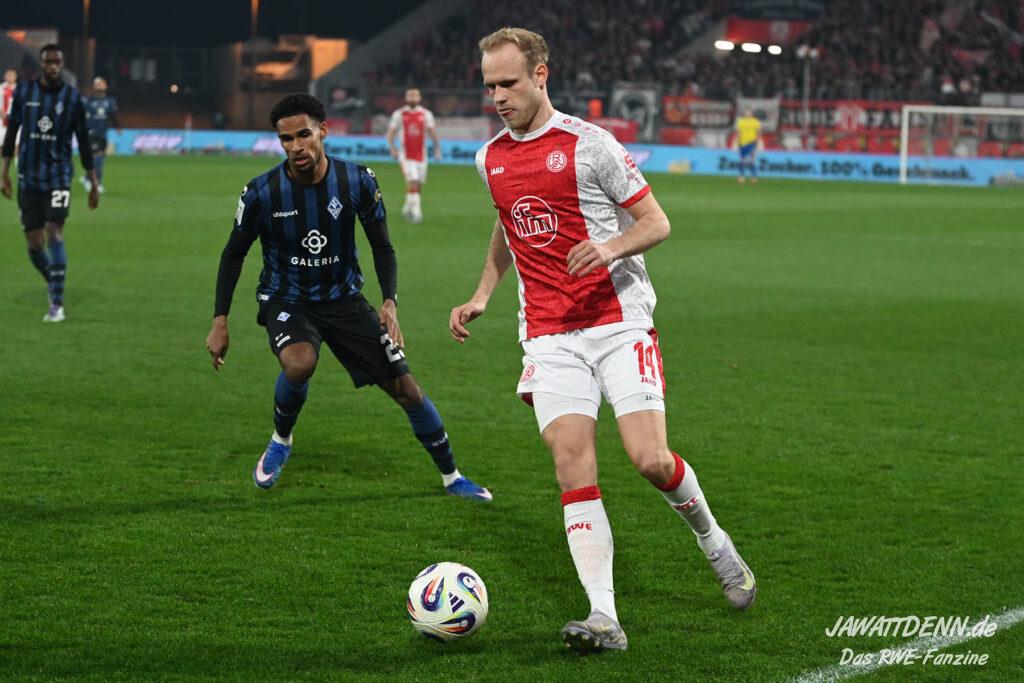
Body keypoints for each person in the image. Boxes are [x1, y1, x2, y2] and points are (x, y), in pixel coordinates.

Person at [449, 28, 756, 652]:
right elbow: (508, 224)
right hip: (547, 334)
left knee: (650, 460)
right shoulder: (490, 159)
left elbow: (656, 222)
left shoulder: (591, 145)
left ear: (541, 75)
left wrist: (610, 247)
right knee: (572, 465)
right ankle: (603, 617)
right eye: (490, 86)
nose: (498, 97)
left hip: (617, 322)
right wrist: (482, 293)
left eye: (509, 83)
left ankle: (715, 543)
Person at [206, 93, 490, 502]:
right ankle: (281, 439)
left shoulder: (357, 180)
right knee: (299, 363)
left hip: (344, 299)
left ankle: (453, 477)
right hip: (287, 299)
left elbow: (382, 247)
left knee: (407, 389)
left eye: (304, 135)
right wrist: (220, 320)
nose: (296, 146)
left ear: (323, 131)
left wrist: (389, 301)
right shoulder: (261, 192)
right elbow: (233, 254)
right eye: (286, 139)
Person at [1, 45, 99, 323]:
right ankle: (54, 279)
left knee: (54, 232)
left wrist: (93, 182)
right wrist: (4, 172)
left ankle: (56, 302)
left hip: (59, 178)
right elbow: (11, 133)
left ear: (62, 64)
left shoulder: (73, 98)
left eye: (58, 62)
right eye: (48, 62)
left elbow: (84, 143)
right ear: (41, 64)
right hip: (28, 178)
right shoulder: (24, 92)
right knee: (34, 245)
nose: (53, 66)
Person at [385, 88, 442, 224]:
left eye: (415, 95)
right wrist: (392, 148)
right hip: (406, 156)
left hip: (421, 156)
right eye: (410, 95)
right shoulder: (399, 114)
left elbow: (432, 132)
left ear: (419, 98)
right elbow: (391, 133)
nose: (412, 97)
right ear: (406, 98)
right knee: (413, 180)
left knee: (418, 183)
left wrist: (437, 148)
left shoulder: (426, 114)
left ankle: (407, 207)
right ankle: (417, 212)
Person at [81, 76, 119, 193]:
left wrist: (118, 127)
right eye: (97, 83)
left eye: (102, 83)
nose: (100, 85)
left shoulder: (110, 101)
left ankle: (87, 178)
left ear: (106, 86)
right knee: (96, 158)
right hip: (91, 133)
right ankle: (94, 182)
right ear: (94, 86)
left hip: (103, 133)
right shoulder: (88, 101)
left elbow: (113, 115)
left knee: (100, 157)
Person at [734, 108, 761, 184]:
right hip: (742, 144)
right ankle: (742, 176)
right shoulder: (741, 121)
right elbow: (739, 133)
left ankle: (753, 177)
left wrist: (759, 143)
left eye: (749, 113)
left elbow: (758, 133)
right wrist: (736, 143)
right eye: (746, 113)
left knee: (750, 161)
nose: (747, 114)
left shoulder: (756, 122)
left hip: (751, 143)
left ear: (752, 113)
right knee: (742, 160)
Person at [1, 69, 17, 145]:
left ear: (15, 77)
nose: (10, 77)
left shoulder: (19, 88)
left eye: (12, 75)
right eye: (8, 75)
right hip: (2, 118)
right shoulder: (1, 88)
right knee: (2, 141)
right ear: (5, 76)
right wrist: (1, 112)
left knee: (16, 141)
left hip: (15, 118)